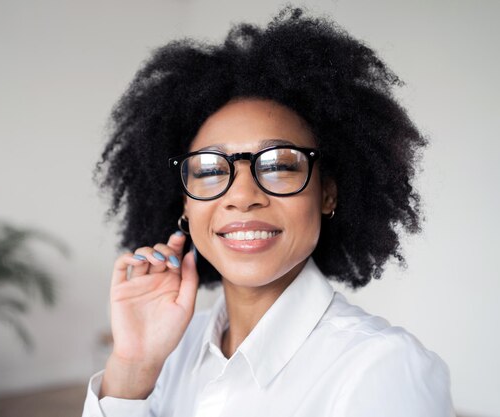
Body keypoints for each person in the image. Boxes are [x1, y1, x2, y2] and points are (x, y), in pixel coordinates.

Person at [83, 6, 454, 417]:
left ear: (327, 193)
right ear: (185, 204)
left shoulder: (383, 369)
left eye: (278, 164)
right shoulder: (166, 351)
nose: (242, 196)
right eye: (210, 168)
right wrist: (132, 370)